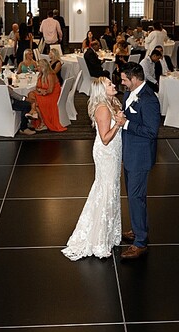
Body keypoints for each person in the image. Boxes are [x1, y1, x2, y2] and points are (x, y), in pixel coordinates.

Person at [62, 77, 124, 260]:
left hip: (114, 151)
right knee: (106, 190)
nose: (114, 85)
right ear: (101, 90)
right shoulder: (103, 108)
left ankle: (109, 233)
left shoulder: (112, 102)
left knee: (111, 189)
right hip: (106, 153)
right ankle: (99, 239)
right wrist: (118, 124)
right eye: (109, 84)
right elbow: (105, 138)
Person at [115, 62, 161, 259]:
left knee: (136, 197)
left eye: (124, 80)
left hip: (140, 157)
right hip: (129, 153)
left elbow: (151, 132)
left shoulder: (149, 100)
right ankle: (137, 229)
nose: (122, 83)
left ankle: (140, 242)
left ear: (134, 79)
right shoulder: (129, 93)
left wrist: (126, 124)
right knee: (133, 196)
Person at [26, 59, 66, 132]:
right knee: (30, 94)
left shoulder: (50, 75)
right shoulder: (40, 74)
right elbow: (37, 87)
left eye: (38, 66)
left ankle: (42, 121)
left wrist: (42, 92)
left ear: (43, 67)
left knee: (36, 102)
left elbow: (50, 90)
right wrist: (40, 90)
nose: (37, 68)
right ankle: (34, 111)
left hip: (52, 95)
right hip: (44, 93)